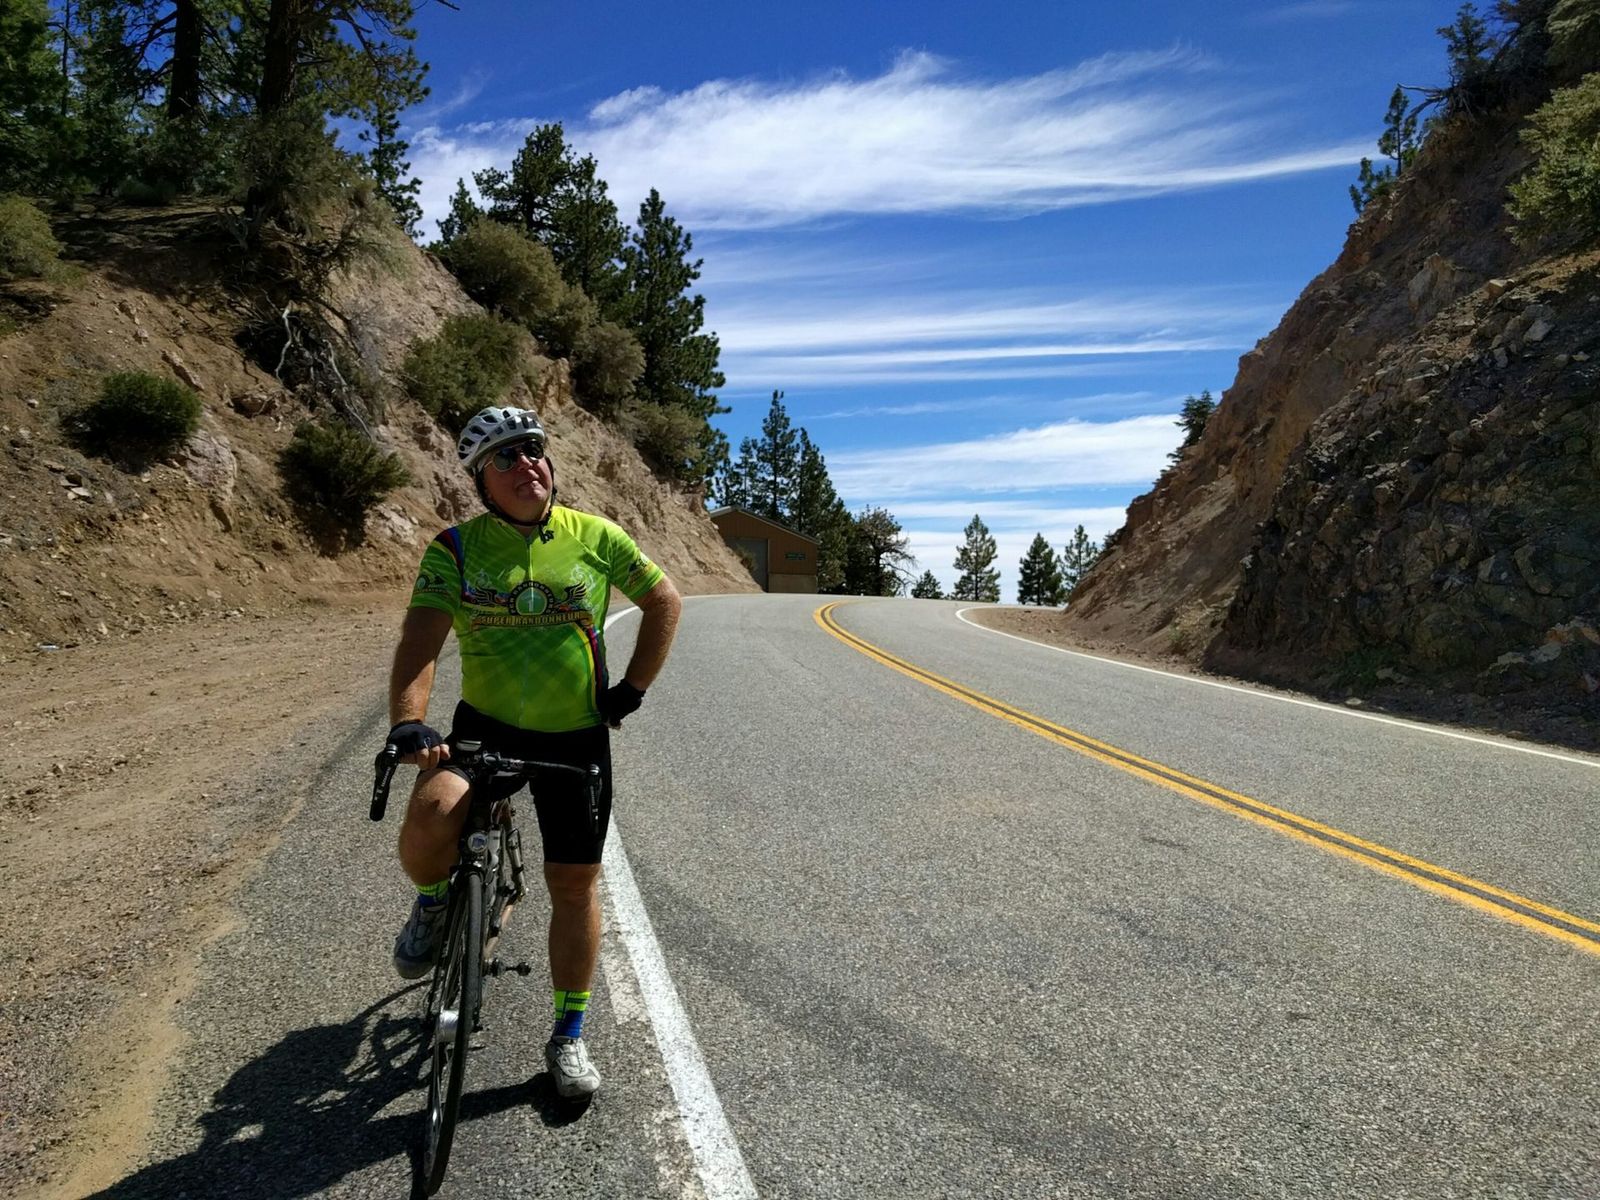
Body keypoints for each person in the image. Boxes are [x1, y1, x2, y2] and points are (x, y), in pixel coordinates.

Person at [385, 404, 682, 1100]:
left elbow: (664, 600)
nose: (526, 464)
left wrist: (631, 691)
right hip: (486, 727)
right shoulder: (455, 549)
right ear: (480, 481)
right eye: (505, 457)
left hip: (575, 736)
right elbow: (421, 640)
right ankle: (434, 901)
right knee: (429, 816)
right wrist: (409, 723)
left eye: (533, 449)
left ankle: (568, 1035)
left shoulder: (596, 536)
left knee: (574, 884)